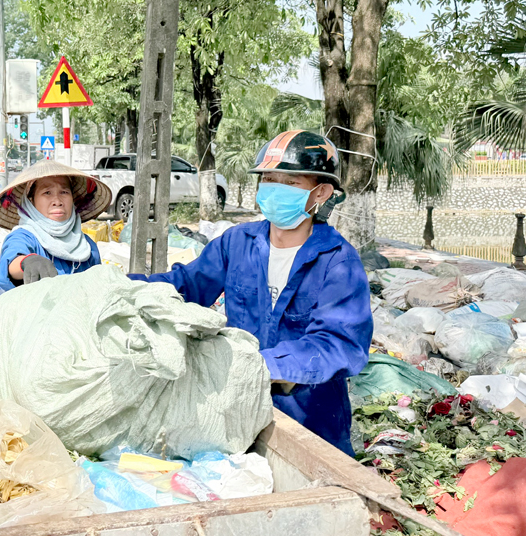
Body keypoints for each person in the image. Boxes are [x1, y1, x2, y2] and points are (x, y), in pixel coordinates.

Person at [128, 130, 373, 454]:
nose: (274, 190)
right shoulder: (237, 242)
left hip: (311, 424)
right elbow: (187, 284)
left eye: (289, 183)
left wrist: (262, 365)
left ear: (321, 192)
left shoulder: (339, 262)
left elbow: (338, 344)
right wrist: (124, 286)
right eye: (269, 180)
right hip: (238, 411)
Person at [0, 161, 112, 292]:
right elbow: (11, 263)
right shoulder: (24, 237)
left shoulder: (87, 246)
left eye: (64, 192)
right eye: (47, 192)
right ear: (31, 201)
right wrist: (27, 262)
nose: (57, 201)